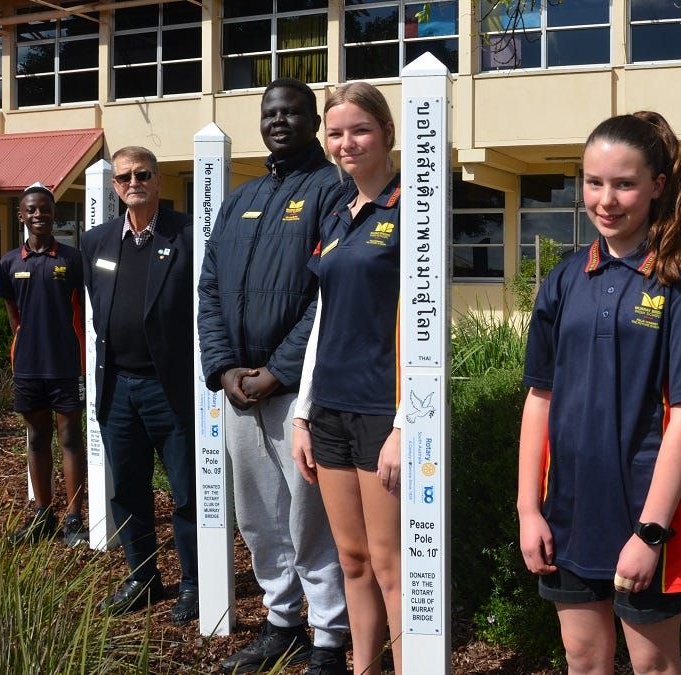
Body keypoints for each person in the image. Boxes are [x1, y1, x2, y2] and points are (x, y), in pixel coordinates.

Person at [516, 111, 681, 674]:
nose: (606, 199)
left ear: (657, 186)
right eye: (594, 182)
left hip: (646, 516)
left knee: (654, 667)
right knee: (583, 659)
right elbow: (539, 398)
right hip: (566, 514)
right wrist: (528, 511)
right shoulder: (564, 279)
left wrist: (649, 532)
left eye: (624, 183)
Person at [198, 78, 349, 675]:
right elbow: (209, 288)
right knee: (258, 518)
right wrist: (224, 367)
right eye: (269, 113)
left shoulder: (330, 190)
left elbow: (326, 293)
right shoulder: (241, 198)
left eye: (291, 112)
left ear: (312, 121)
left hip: (295, 391)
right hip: (239, 390)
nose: (278, 121)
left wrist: (279, 371)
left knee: (309, 518)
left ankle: (330, 638)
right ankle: (282, 622)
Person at [292, 80, 403, 675]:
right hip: (330, 408)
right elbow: (323, 319)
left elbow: (421, 322)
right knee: (352, 559)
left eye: (359, 129)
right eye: (335, 133)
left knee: (392, 566)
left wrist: (407, 423)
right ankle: (363, 669)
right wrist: (304, 412)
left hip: (382, 411)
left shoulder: (411, 206)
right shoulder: (336, 212)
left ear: (385, 131)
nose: (346, 142)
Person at [80, 146, 199, 626]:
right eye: (125, 176)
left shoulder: (188, 235)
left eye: (143, 174)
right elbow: (97, 306)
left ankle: (193, 581)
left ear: (158, 180)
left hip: (169, 390)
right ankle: (143, 576)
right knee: (126, 489)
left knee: (186, 490)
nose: (134, 182)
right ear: (114, 187)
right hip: (118, 389)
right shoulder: (96, 242)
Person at [0, 182, 88, 548]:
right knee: (36, 439)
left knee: (69, 438)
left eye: (45, 209)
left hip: (66, 364)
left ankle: (74, 517)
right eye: (31, 210)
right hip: (29, 367)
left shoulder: (71, 259)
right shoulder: (9, 262)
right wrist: (25, 346)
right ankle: (42, 515)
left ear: (55, 214)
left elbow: (82, 311)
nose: (38, 215)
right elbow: (13, 314)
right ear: (21, 216)